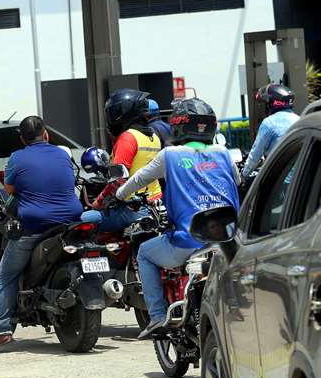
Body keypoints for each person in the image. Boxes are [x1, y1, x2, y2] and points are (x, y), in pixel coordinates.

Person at [115, 98, 239, 339]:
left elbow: (139, 179)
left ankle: (158, 316)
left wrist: (120, 194)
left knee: (144, 253)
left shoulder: (169, 155)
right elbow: (239, 180)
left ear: (178, 125)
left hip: (188, 240)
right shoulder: (223, 153)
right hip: (228, 240)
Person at [0, 116, 83, 354]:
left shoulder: (17, 157)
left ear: (21, 138)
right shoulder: (62, 154)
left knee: (6, 275)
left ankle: (0, 330)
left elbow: (9, 190)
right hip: (71, 222)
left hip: (35, 226)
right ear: (46, 134)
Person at [81, 89, 162, 232]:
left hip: (131, 209)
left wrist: (97, 203)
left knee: (80, 221)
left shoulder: (128, 138)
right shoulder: (153, 137)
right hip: (154, 205)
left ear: (124, 112)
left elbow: (117, 181)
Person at [241, 83, 299, 179]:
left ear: (272, 104)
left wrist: (243, 175)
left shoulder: (269, 123)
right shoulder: (299, 119)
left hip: (280, 183)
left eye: (266, 104)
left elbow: (255, 156)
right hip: (300, 180)